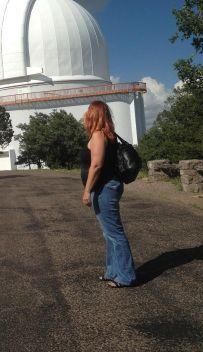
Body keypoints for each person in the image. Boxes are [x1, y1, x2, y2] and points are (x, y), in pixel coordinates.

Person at [80, 100, 136, 288]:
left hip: (104, 188)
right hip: (110, 186)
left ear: (94, 114)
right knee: (109, 233)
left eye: (88, 111)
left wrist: (87, 190)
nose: (86, 115)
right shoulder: (109, 134)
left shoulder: (97, 135)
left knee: (114, 233)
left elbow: (96, 165)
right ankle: (112, 272)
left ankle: (126, 276)